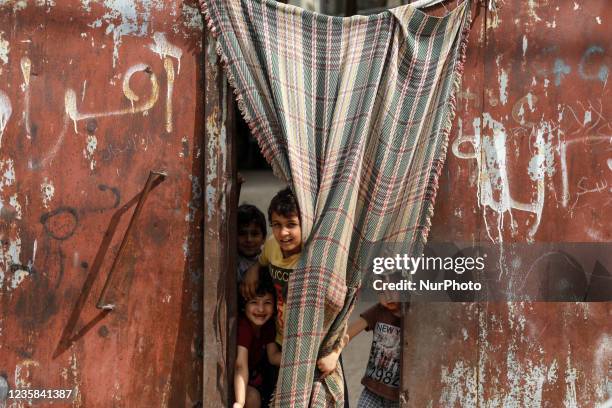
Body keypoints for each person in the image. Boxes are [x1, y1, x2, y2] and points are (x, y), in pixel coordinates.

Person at [317, 292, 402, 408]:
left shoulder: (415, 317)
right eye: (382, 292)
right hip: (372, 391)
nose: (388, 297)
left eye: (393, 289)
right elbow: (348, 333)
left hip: (400, 397)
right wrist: (334, 354)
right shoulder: (380, 310)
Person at [241, 187, 302, 346]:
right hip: (279, 336)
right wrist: (253, 270)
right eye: (277, 224)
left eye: (291, 224)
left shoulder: (311, 256)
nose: (283, 233)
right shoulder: (272, 244)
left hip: (304, 341)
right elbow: (262, 260)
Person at [234, 273, 282, 408]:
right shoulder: (244, 327)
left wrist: (300, 357)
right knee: (253, 398)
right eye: (254, 302)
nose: (261, 309)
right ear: (244, 305)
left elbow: (273, 357)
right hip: (239, 380)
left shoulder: (268, 325)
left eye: (267, 303)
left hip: (256, 379)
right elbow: (240, 365)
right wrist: (240, 402)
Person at [237, 204, 267, 283]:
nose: (249, 239)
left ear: (264, 238)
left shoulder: (269, 257)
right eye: (242, 234)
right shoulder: (231, 262)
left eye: (254, 234)